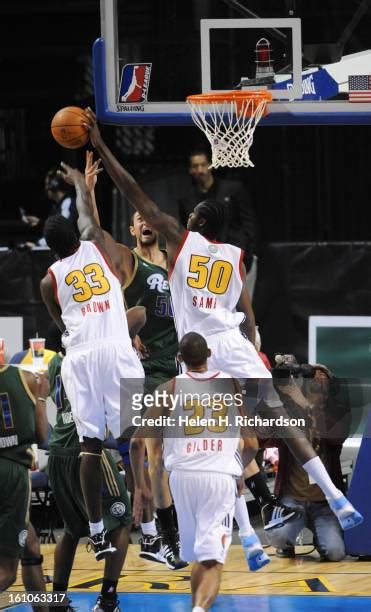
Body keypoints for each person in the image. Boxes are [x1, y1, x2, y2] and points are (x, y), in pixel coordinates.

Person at [83, 106, 363, 535]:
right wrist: (253, 352)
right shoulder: (234, 257)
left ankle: (215, 532)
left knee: (196, 446)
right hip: (234, 342)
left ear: (196, 221)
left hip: (200, 354)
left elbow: (136, 192)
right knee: (280, 423)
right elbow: (248, 318)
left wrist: (101, 143)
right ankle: (334, 496)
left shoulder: (182, 240)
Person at [39, 161, 145, 561]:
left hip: (81, 354)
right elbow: (87, 213)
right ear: (76, 236)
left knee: (90, 444)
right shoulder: (96, 244)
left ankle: (97, 532)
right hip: (117, 348)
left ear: (51, 249)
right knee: (134, 437)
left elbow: (60, 322)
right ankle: (149, 527)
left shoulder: (49, 278)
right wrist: (84, 184)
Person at [85, 151, 185, 570]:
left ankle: (162, 533)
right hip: (138, 371)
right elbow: (94, 235)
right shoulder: (129, 262)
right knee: (145, 451)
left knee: (162, 458)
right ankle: (160, 535)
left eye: (149, 219)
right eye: (136, 220)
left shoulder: (178, 262)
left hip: (174, 365)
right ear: (131, 228)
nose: (144, 223)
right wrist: (89, 192)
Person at [131, 332, 269, 612]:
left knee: (200, 558)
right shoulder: (228, 385)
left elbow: (136, 443)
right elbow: (252, 443)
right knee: (214, 561)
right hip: (217, 478)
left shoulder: (167, 389)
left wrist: (140, 487)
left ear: (179, 359)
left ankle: (196, 606)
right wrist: (238, 469)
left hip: (181, 479)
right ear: (209, 355)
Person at [47, 306, 145, 612]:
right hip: (83, 451)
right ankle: (108, 598)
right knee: (123, 520)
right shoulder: (96, 360)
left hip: (57, 452)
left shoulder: (56, 366)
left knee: (72, 529)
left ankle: (56, 599)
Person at [266, 364, 350, 561]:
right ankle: (289, 539)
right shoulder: (289, 411)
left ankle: (321, 537)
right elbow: (266, 438)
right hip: (292, 500)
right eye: (314, 374)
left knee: (335, 552)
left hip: (324, 503)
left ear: (331, 387)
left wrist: (305, 404)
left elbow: (336, 438)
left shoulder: (337, 413)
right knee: (278, 537)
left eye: (324, 376)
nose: (318, 378)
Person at [0, 363, 49, 603]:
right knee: (7, 573)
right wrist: (41, 398)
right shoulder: (27, 377)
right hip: (11, 475)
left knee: (30, 546)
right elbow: (42, 436)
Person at [178, 149, 258, 274]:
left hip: (237, 255)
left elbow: (249, 223)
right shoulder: (186, 200)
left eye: (203, 165)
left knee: (243, 293)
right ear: (191, 170)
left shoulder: (233, 189)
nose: (200, 170)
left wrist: (248, 253)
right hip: (206, 262)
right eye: (195, 166)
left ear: (210, 165)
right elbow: (188, 232)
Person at [24, 166, 78, 248]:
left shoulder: (68, 203)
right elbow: (55, 228)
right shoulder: (58, 206)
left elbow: (60, 231)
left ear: (54, 185)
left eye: (47, 184)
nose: (46, 188)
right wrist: (40, 223)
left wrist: (37, 245)